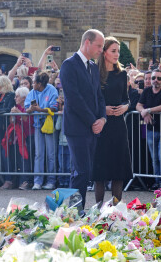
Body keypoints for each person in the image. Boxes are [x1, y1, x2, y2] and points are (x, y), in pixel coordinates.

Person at [59, 29, 106, 209]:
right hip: (77, 128)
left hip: (93, 127)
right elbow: (73, 98)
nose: (101, 50)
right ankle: (77, 211)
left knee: (80, 172)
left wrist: (102, 119)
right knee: (82, 171)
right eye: (99, 46)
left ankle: (71, 209)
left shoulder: (93, 67)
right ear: (87, 42)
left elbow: (99, 96)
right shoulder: (69, 65)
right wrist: (92, 121)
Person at [92, 36, 132, 204]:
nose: (117, 54)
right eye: (113, 51)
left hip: (118, 126)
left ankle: (116, 210)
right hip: (101, 125)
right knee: (99, 171)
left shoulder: (122, 74)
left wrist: (125, 107)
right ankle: (98, 209)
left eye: (118, 51)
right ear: (104, 52)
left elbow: (126, 99)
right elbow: (90, 100)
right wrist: (103, 110)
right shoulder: (94, 73)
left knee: (118, 169)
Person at [25, 70, 58, 190]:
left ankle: (51, 181)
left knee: (51, 154)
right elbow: (27, 106)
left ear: (39, 83)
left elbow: (54, 108)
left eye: (33, 82)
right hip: (37, 125)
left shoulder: (52, 90)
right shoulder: (32, 92)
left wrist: (40, 109)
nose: (32, 84)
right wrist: (29, 110)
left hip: (49, 126)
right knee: (38, 154)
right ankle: (37, 181)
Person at [0, 86, 34, 190]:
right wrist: (12, 115)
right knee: (15, 157)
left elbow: (29, 121)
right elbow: (12, 122)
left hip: (28, 135)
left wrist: (19, 113)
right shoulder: (17, 107)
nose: (15, 98)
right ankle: (11, 180)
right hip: (17, 137)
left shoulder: (28, 107)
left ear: (24, 97)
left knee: (25, 158)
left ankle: (25, 180)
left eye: (17, 96)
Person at [136, 69, 161, 189]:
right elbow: (138, 105)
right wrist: (143, 112)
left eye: (159, 78)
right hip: (151, 130)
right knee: (154, 158)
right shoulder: (146, 91)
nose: (156, 80)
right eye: (154, 78)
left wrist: (149, 110)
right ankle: (158, 182)